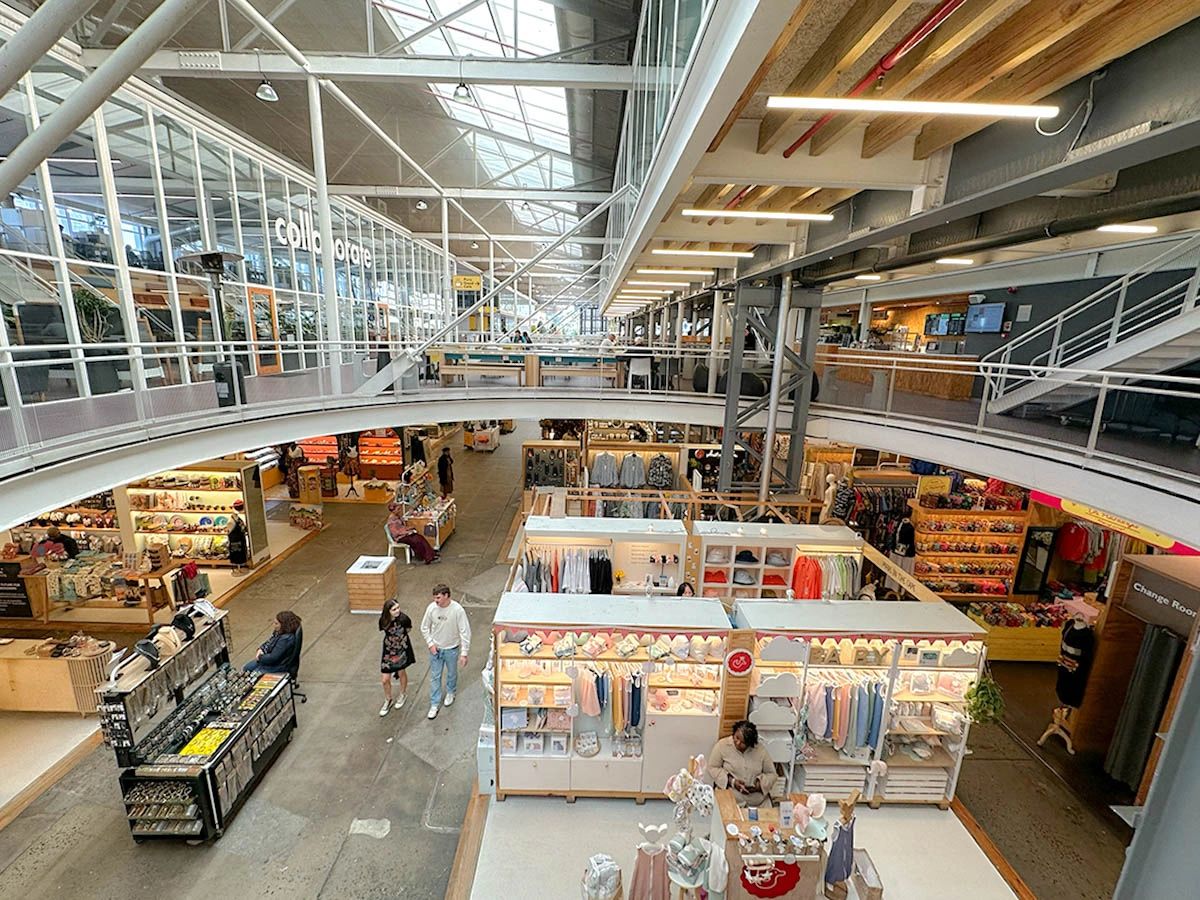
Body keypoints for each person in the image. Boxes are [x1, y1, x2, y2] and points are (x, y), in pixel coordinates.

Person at [420, 584, 471, 720]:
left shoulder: (457, 610)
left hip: (451, 649)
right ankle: (434, 703)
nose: (436, 601)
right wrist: (430, 644)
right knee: (435, 676)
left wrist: (464, 653)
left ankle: (450, 692)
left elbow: (465, 631)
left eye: (438, 598)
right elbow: (424, 627)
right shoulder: (431, 609)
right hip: (436, 650)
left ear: (447, 596)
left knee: (452, 673)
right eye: (435, 598)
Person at [707, 720, 777, 806]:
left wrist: (758, 785)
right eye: (736, 738)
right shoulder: (722, 746)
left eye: (743, 742)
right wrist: (732, 781)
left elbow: (772, 774)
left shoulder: (760, 750)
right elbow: (713, 767)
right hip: (730, 798)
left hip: (757, 802)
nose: (738, 743)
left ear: (750, 744)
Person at [378, 598, 415, 716]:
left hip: (401, 649)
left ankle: (402, 693)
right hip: (389, 650)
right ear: (388, 611)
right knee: (385, 679)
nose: (397, 611)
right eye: (394, 609)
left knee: (401, 672)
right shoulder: (383, 621)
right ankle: (388, 699)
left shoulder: (404, 619)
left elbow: (408, 629)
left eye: (398, 608)